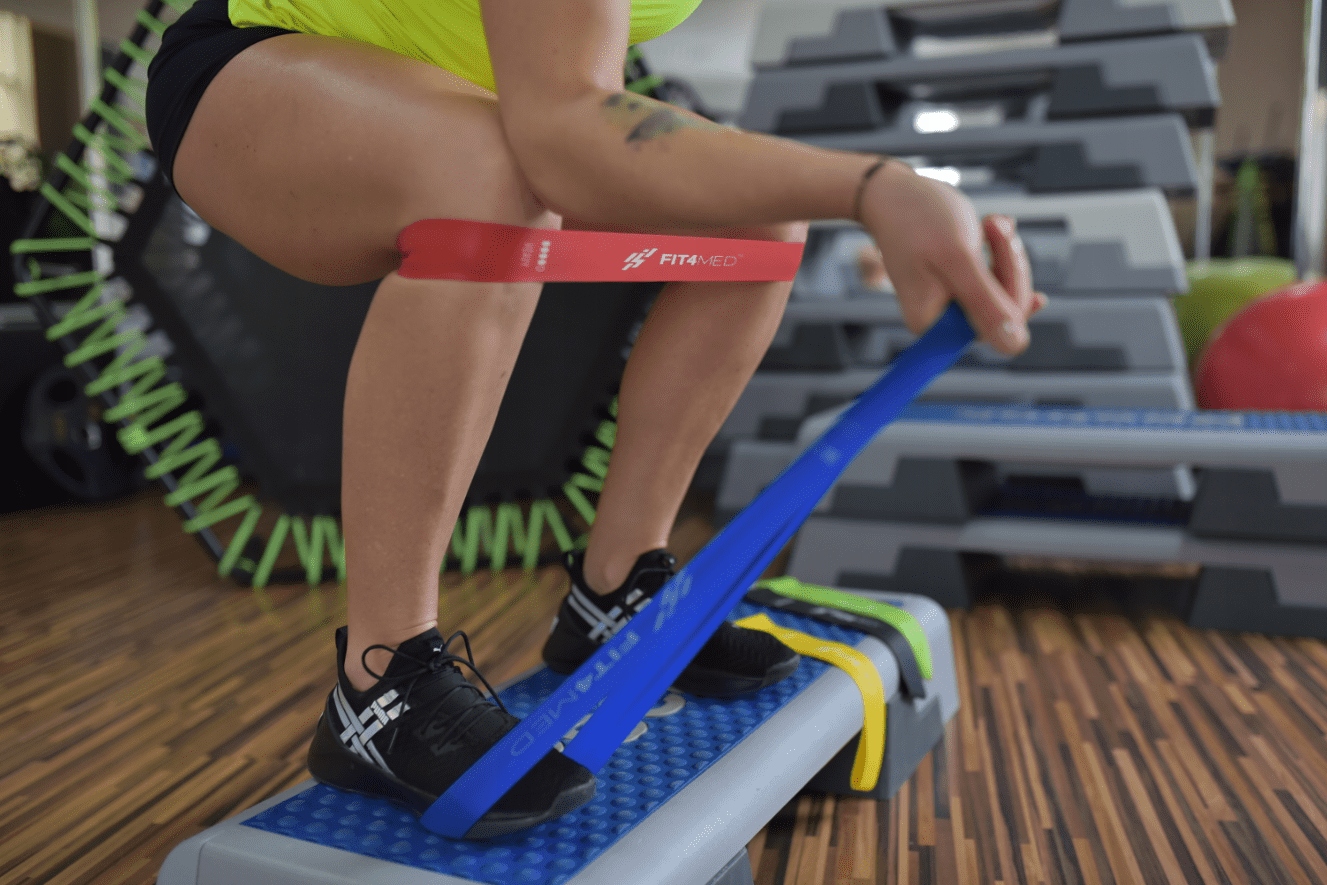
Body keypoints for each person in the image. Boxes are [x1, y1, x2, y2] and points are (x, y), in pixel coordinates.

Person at [144, 0, 1042, 838]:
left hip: (476, 112)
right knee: (483, 177)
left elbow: (573, 105)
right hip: (254, 66)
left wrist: (870, 192)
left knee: (758, 219)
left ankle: (614, 595)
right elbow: (569, 135)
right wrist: (877, 187)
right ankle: (378, 686)